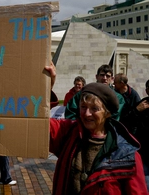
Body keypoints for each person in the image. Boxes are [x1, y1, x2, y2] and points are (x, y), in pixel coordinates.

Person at [45, 63, 148, 195]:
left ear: (108, 113)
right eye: (83, 107)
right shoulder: (68, 132)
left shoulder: (127, 156)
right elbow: (38, 124)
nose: (87, 113)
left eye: (95, 109)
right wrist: (46, 85)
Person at [120, 79, 149, 191]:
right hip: (145, 155)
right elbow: (125, 123)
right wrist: (136, 111)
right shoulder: (142, 105)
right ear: (147, 90)